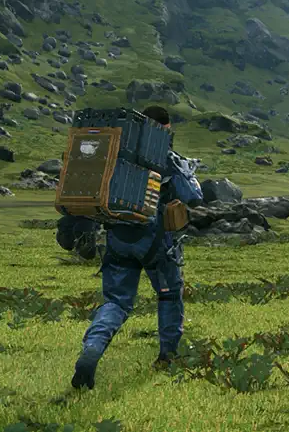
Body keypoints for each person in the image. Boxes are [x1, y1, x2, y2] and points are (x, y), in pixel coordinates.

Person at [70, 106, 204, 390]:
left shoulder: (116, 151)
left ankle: (92, 348)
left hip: (118, 238)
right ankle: (167, 357)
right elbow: (193, 196)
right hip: (156, 242)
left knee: (116, 302)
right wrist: (187, 172)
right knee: (168, 296)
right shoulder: (165, 157)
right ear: (164, 129)